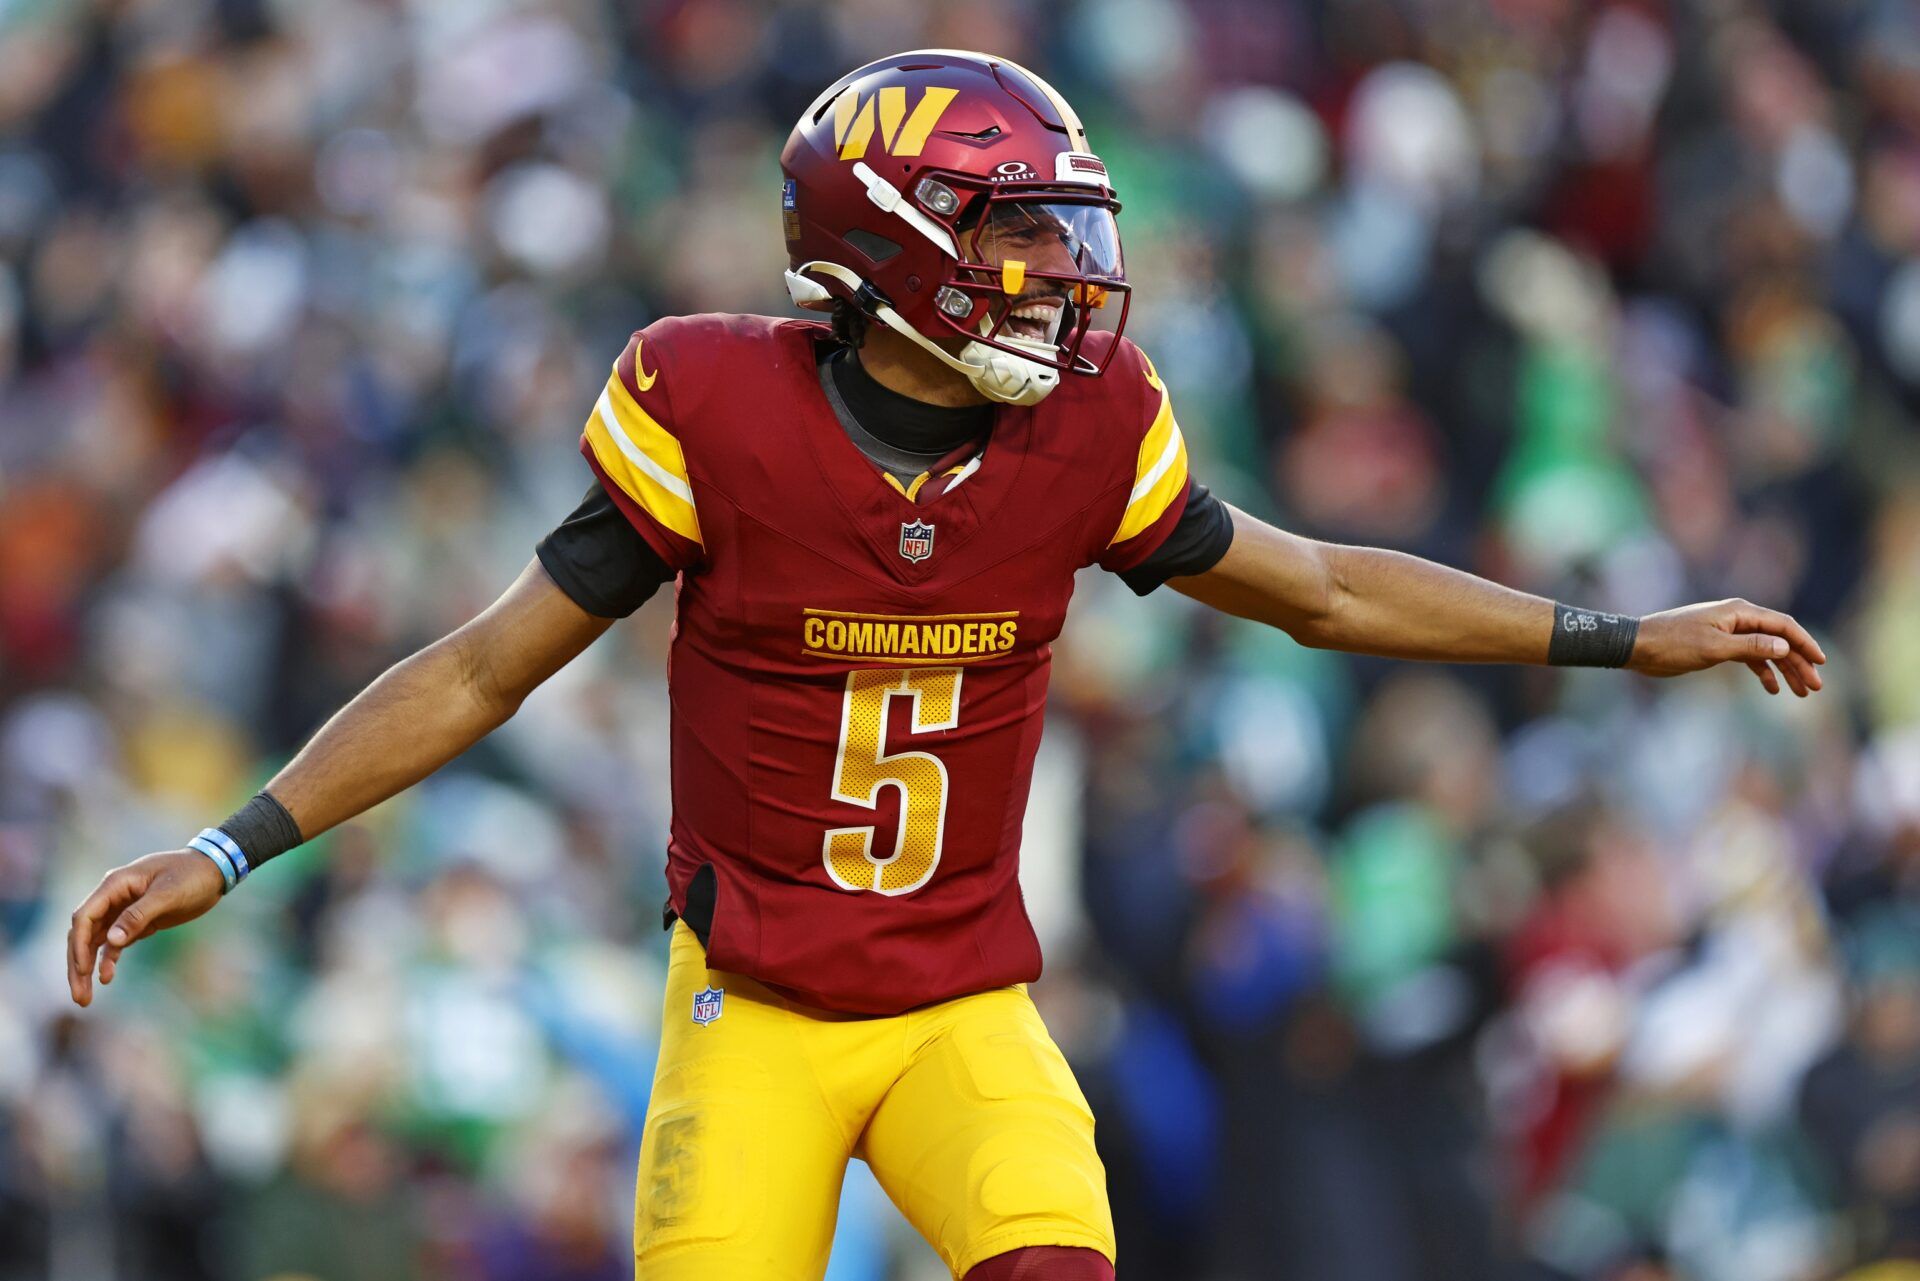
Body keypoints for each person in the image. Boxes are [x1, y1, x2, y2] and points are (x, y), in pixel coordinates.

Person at [65, 50, 1827, 1281]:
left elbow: (1323, 592)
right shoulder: (717, 407)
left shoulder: (1088, 429)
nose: (1066, 277)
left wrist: (1620, 637)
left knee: (1056, 1258)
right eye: (1018, 237)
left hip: (961, 1005)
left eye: (1069, 234)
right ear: (895, 249)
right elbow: (477, 671)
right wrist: (230, 844)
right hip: (748, 1011)